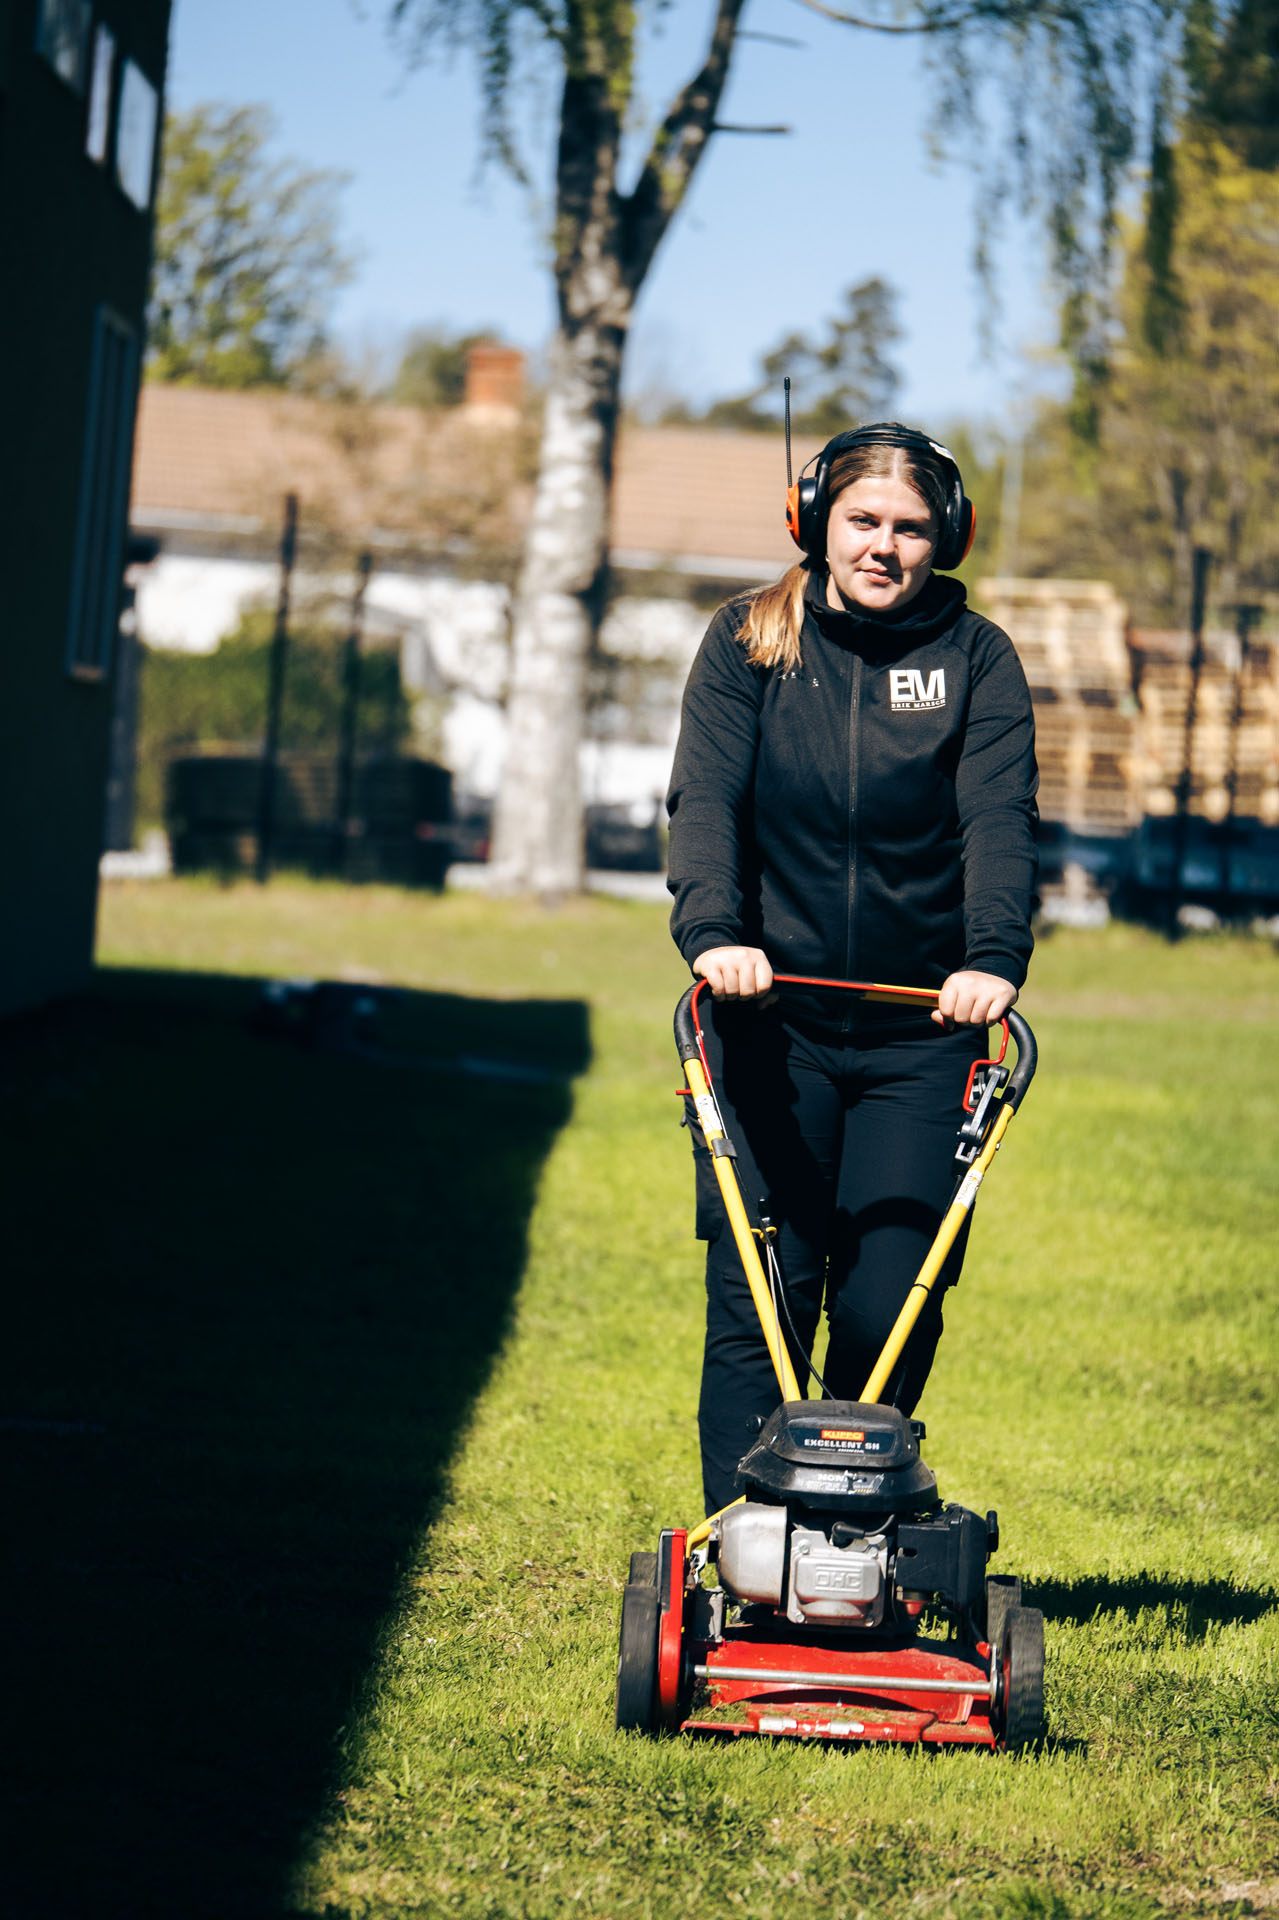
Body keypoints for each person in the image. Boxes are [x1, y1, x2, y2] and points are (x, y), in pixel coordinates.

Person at [666, 423, 1038, 1515]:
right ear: (813, 520)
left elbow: (999, 823)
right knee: (762, 1302)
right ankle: (747, 1549)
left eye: (910, 527)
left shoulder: (977, 660)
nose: (884, 546)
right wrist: (714, 937)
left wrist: (991, 959)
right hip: (766, 1025)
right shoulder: (746, 642)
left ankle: (848, 1533)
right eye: (863, 520)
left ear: (948, 537)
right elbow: (705, 806)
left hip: (920, 1035)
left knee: (887, 1304)